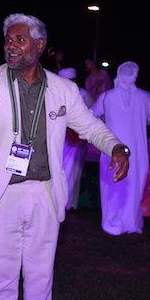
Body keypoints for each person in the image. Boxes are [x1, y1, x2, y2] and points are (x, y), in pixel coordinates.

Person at [0, 13, 130, 300]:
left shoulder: (63, 89)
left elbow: (90, 127)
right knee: (1, 281)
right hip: (2, 195)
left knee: (40, 281)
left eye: (20, 39)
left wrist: (117, 147)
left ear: (40, 45)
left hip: (45, 196)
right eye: (7, 40)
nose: (10, 46)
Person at [92, 61, 150, 235]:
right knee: (134, 186)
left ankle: (111, 223)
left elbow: (91, 115)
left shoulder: (107, 96)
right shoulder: (145, 96)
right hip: (136, 151)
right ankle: (131, 223)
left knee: (112, 185)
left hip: (112, 149)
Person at [58, 67, 95, 211]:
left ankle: (68, 203)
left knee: (73, 171)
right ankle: (61, 203)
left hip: (76, 139)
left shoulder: (83, 94)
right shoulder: (55, 92)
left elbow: (92, 114)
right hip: (59, 138)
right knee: (60, 170)